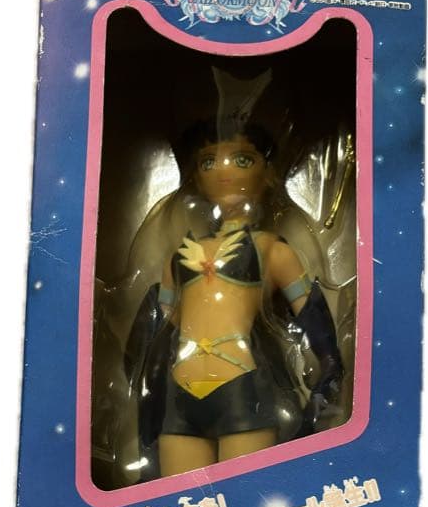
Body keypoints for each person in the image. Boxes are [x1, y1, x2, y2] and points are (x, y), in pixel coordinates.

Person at [124, 115, 344, 477]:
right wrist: (143, 374)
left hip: (242, 387)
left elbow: (311, 313)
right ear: (196, 176)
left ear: (268, 173)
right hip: (181, 392)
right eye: (208, 161)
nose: (224, 170)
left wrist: (329, 369)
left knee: (248, 496)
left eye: (242, 159)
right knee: (179, 501)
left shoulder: (271, 249)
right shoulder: (180, 256)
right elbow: (160, 326)